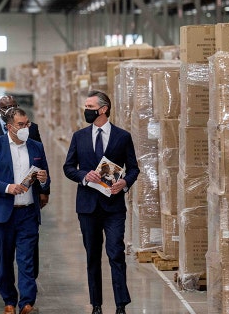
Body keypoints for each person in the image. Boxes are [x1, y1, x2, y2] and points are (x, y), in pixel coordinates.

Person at [63, 90, 140, 314]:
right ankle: (96, 304)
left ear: (103, 109)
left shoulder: (122, 136)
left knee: (115, 252)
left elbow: (134, 168)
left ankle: (120, 304)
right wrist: (84, 176)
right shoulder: (79, 137)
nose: (86, 110)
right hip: (87, 207)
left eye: (89, 106)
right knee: (92, 256)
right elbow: (68, 168)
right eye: (85, 107)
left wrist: (124, 182)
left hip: (113, 206)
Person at [0, 108, 50, 314]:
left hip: (27, 212)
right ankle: (9, 299)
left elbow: (45, 179)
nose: (25, 128)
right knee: (4, 259)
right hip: (3, 214)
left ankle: (27, 302)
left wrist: (44, 182)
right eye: (21, 125)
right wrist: (8, 187)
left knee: (26, 260)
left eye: (27, 124)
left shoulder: (36, 147)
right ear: (9, 127)